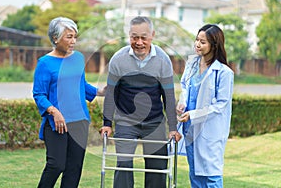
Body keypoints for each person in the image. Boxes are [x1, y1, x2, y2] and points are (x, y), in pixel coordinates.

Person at [99, 16, 181, 188]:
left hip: (154, 121)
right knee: (124, 165)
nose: (139, 42)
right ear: (129, 35)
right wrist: (107, 123)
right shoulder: (118, 59)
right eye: (134, 37)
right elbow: (112, 93)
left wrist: (173, 127)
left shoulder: (163, 60)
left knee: (157, 167)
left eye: (144, 37)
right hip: (126, 121)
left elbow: (168, 95)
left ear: (152, 35)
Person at [33, 16, 105, 188]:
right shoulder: (45, 63)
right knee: (56, 165)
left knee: (74, 169)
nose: (73, 41)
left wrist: (100, 92)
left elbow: (80, 84)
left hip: (80, 121)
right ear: (55, 38)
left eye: (75, 36)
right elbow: (39, 94)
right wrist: (54, 111)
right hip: (58, 123)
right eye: (69, 37)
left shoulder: (78, 58)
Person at [176, 24, 234, 187]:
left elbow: (221, 104)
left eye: (203, 42)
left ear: (214, 45)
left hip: (210, 131)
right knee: (194, 173)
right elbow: (185, 86)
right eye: (197, 40)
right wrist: (183, 102)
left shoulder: (223, 73)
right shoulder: (192, 64)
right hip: (190, 128)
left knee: (211, 175)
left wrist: (193, 114)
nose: (197, 44)